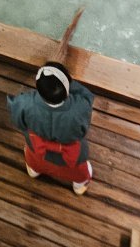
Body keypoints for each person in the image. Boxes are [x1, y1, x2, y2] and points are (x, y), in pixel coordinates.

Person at [7, 61, 95, 194]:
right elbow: (87, 96)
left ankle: (34, 171)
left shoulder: (24, 103)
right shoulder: (80, 110)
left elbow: (18, 122)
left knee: (33, 161)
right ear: (67, 87)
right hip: (70, 158)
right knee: (80, 172)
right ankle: (78, 186)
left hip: (38, 151)